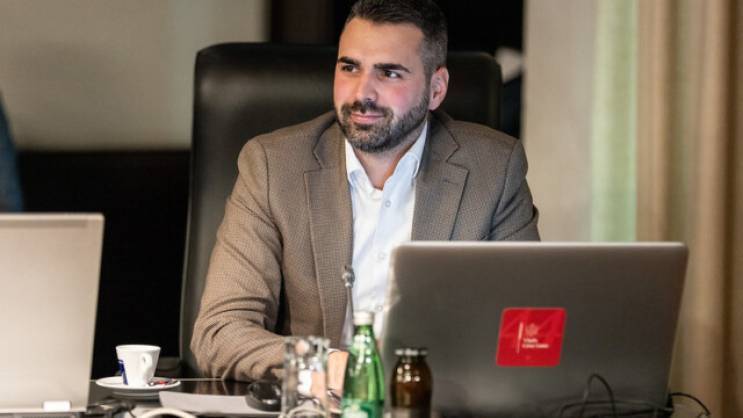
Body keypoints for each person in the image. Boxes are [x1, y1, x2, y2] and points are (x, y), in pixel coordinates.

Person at [191, 0, 539, 390]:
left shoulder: (493, 170)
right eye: (350, 67)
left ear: (436, 89)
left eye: (389, 73)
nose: (362, 93)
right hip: (318, 404)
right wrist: (331, 367)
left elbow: (529, 328)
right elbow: (219, 332)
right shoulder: (273, 166)